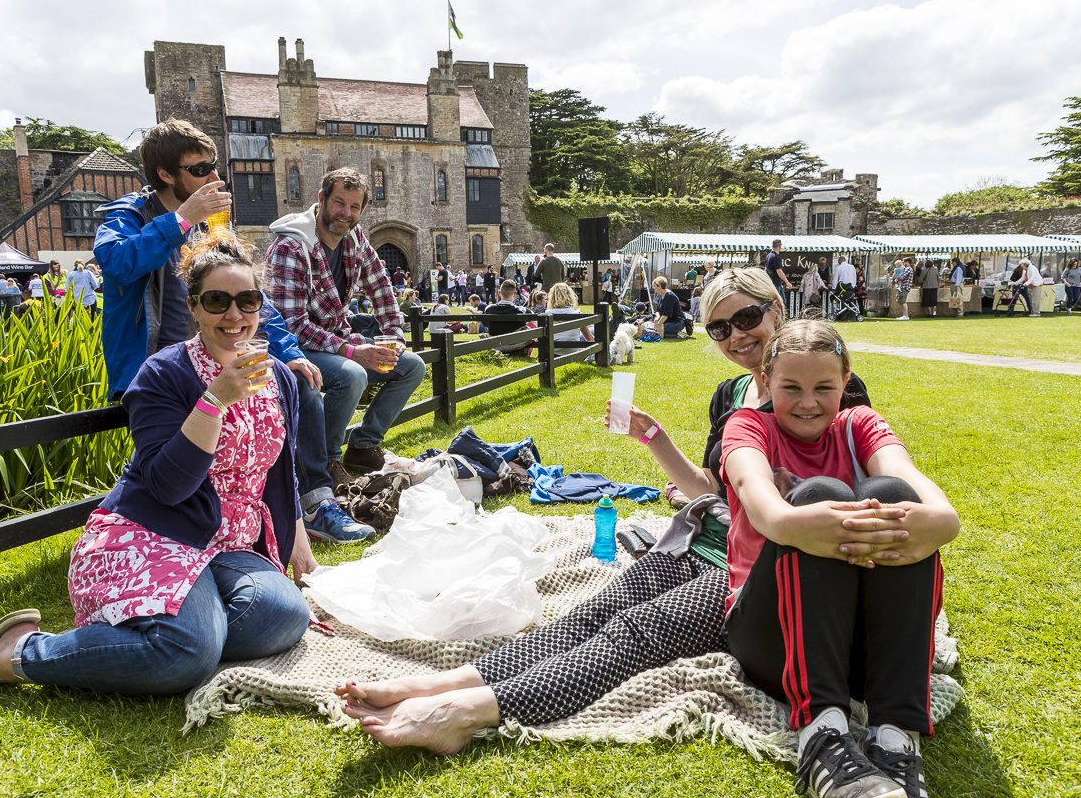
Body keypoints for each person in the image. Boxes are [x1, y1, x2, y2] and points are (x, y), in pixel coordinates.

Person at [333, 273, 892, 766]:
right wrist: (652, 437)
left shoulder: (825, 381)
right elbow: (711, 489)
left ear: (777, 310)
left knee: (635, 634)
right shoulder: (732, 393)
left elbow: (840, 485)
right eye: (720, 328)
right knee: (593, 612)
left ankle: (469, 711)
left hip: (763, 565)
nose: (737, 335)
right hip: (709, 536)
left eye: (747, 317)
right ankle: (450, 680)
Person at [0, 235, 320, 696]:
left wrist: (299, 548)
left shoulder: (279, 377)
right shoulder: (164, 374)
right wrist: (215, 401)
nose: (234, 315)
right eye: (217, 301)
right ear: (193, 308)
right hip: (154, 533)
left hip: (228, 547)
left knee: (285, 616)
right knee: (186, 654)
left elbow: (279, 470)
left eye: (247, 300)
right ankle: (20, 651)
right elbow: (168, 486)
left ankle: (177, 633)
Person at [94, 120, 366, 545]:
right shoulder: (131, 215)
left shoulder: (210, 225)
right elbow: (116, 263)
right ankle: (149, 537)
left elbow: (249, 294)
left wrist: (290, 352)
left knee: (298, 391)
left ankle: (306, 507)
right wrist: (182, 219)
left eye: (214, 166)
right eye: (200, 169)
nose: (214, 179)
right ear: (166, 174)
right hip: (159, 370)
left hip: (216, 356)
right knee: (170, 464)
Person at [722, 319, 958, 798]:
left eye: (824, 387)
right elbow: (759, 499)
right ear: (765, 383)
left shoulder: (859, 424)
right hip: (774, 638)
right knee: (818, 496)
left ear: (845, 383)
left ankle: (896, 736)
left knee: (893, 495)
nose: (808, 403)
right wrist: (816, 521)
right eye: (791, 387)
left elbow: (907, 476)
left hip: (855, 645)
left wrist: (941, 521)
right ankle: (822, 735)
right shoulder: (749, 426)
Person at [264, 166, 426, 482]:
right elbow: (291, 326)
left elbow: (380, 285)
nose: (346, 213)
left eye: (354, 207)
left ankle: (364, 446)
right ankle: (324, 460)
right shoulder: (291, 247)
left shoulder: (354, 237)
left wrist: (393, 337)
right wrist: (352, 351)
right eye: (339, 203)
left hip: (337, 342)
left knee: (412, 366)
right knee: (350, 376)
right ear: (321, 199)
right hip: (293, 351)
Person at [483, 279, 535, 354]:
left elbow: (485, 324)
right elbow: (534, 318)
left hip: (496, 344)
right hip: (516, 346)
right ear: (514, 293)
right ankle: (527, 352)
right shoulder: (522, 310)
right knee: (530, 325)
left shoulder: (489, 309)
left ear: (499, 293)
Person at [764, 239, 792, 304]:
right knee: (781, 302)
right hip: (776, 283)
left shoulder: (769, 255)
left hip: (771, 282)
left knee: (775, 302)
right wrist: (787, 282)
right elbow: (779, 271)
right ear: (779, 246)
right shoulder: (776, 257)